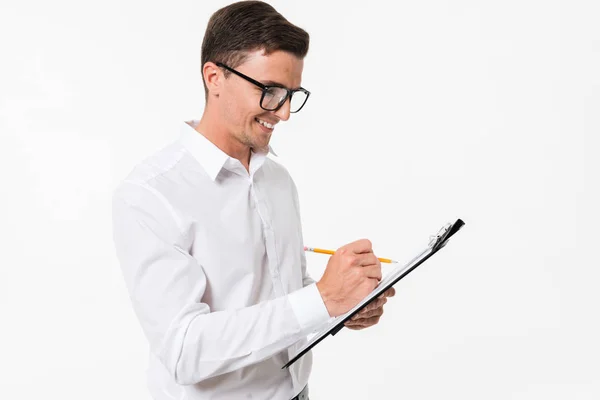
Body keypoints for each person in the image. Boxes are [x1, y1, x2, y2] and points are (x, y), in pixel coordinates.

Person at [111, 1, 395, 399]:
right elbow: (184, 351)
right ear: (214, 77)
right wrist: (322, 298)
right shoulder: (151, 194)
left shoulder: (277, 180)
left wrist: (344, 305)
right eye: (270, 91)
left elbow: (285, 295)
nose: (284, 112)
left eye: (292, 94)